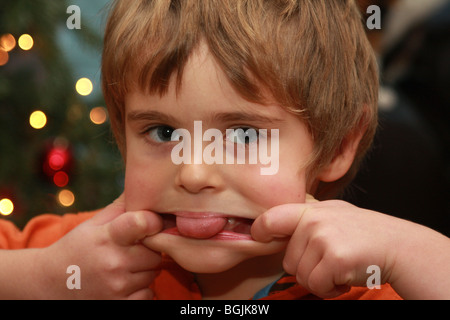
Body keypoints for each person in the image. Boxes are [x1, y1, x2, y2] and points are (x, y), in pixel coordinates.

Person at [0, 0, 449, 300]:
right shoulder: (92, 255)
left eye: (243, 136)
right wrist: (44, 277)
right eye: (162, 132)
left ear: (339, 147)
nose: (193, 174)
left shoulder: (369, 286)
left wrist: (410, 252)